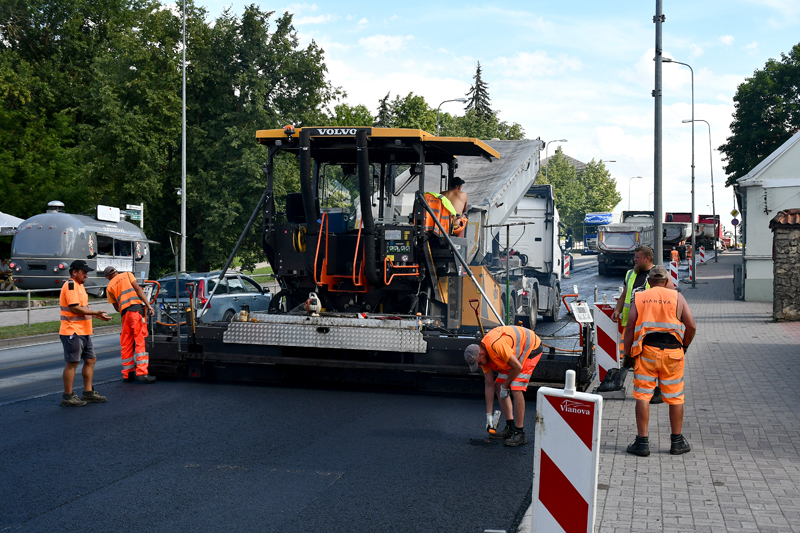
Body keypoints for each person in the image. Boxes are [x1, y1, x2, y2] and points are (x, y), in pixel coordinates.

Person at [622, 265, 696, 456]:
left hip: (646, 352)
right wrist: (684, 347)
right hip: (673, 354)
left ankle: (642, 442)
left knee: (643, 395)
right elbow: (691, 326)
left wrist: (628, 354)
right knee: (675, 397)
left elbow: (630, 327)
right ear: (666, 281)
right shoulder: (677, 297)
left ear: (648, 281)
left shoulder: (640, 297)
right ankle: (677, 442)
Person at [611, 246, 674, 404]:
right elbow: (625, 294)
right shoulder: (631, 274)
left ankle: (656, 390)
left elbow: (671, 296)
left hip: (650, 324)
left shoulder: (659, 275)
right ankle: (645, 389)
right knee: (638, 359)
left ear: (647, 259)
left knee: (651, 358)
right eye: (635, 257)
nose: (634, 260)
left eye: (638, 257)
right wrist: (617, 310)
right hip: (633, 324)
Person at [464, 325, 543, 447]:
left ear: (482, 354)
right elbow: (489, 385)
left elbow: (518, 367)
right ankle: (510, 428)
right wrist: (488, 415)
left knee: (516, 388)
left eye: (478, 363)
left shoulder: (496, 346)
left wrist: (505, 386)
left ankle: (520, 432)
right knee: (497, 385)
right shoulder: (484, 357)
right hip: (513, 354)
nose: (479, 366)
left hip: (530, 348)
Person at [59, 260, 112, 407]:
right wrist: (95, 312)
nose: (86, 275)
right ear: (74, 272)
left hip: (84, 330)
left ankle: (88, 392)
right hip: (72, 330)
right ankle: (67, 396)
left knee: (91, 360)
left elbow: (84, 307)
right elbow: (75, 309)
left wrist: (97, 315)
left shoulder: (80, 286)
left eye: (87, 273)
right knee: (73, 363)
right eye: (84, 272)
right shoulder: (70, 286)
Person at [104, 266, 156, 383]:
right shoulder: (127, 274)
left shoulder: (109, 287)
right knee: (140, 340)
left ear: (108, 277)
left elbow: (116, 307)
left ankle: (128, 374)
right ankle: (142, 373)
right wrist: (148, 305)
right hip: (136, 311)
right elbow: (138, 290)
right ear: (116, 271)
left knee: (126, 342)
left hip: (124, 314)